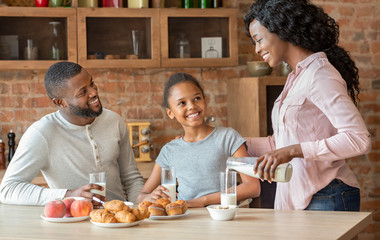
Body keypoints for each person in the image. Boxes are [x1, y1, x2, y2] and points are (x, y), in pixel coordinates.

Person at [243, 0, 371, 211]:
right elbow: (282, 143)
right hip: (305, 197)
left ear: (281, 30)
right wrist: (227, 141)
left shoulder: (320, 75)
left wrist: (292, 151)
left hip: (326, 194)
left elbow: (358, 140)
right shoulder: (295, 78)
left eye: (259, 40)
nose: (256, 49)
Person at [0, 62, 145, 206]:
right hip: (73, 225)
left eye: (92, 84)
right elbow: (8, 189)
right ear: (60, 102)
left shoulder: (114, 121)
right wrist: (68, 195)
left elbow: (131, 179)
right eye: (83, 92)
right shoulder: (42, 133)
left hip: (119, 221)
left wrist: (137, 210)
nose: (94, 92)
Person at [136, 72, 260, 207]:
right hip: (185, 219)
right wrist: (150, 197)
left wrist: (202, 201)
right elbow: (141, 197)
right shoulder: (169, 150)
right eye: (182, 103)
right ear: (170, 113)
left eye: (196, 98)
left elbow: (253, 187)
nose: (191, 106)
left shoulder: (228, 137)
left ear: (204, 100)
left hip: (222, 218)